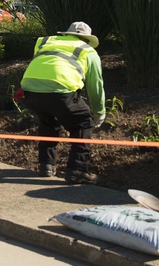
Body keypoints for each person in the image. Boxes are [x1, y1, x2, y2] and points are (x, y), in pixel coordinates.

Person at [19, 21, 106, 185]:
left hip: (29, 91)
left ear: (67, 34)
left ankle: (46, 165)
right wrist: (99, 111)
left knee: (47, 121)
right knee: (84, 124)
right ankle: (78, 170)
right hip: (61, 92)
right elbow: (95, 85)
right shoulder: (89, 52)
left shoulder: (44, 42)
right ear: (87, 39)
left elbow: (45, 66)